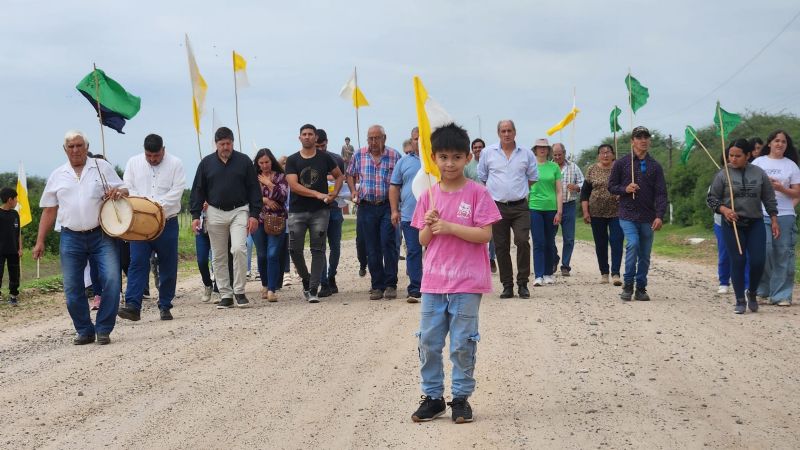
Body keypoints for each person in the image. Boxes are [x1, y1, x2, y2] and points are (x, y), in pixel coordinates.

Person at [410, 122, 501, 424]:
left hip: (467, 282)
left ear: (467, 159)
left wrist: (449, 227)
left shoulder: (478, 193)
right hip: (434, 282)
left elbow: (485, 235)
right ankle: (433, 397)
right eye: (444, 157)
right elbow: (423, 241)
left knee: (463, 342)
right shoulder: (428, 196)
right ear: (434, 158)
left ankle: (460, 398)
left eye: (457, 157)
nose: (450, 163)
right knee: (429, 341)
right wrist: (429, 225)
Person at [33, 130, 127, 345]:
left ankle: (103, 328)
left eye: (79, 145)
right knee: (72, 287)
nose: (75, 150)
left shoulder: (101, 167)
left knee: (112, 279)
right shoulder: (58, 175)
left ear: (86, 146)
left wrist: (119, 193)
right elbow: (49, 210)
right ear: (65, 150)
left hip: (101, 234)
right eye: (71, 146)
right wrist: (40, 241)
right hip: (70, 237)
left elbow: (124, 189)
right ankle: (84, 330)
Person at [190, 127, 261, 309]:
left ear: (233, 142)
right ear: (216, 144)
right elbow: (198, 190)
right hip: (214, 211)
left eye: (228, 143)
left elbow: (254, 189)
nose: (225, 147)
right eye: (222, 144)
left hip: (239, 210)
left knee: (238, 248)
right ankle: (226, 294)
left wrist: (254, 215)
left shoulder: (244, 161)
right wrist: (195, 215)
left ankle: (239, 291)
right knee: (218, 254)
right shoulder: (206, 163)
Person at [117, 134, 186, 322]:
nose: (153, 159)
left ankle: (165, 304)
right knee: (137, 261)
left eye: (156, 156)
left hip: (167, 222)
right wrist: (145, 207)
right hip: (139, 223)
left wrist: (154, 208)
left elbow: (176, 192)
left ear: (163, 149)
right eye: (149, 156)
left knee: (168, 264)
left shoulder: (176, 164)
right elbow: (129, 187)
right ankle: (133, 305)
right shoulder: (133, 163)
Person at [708, 139, 779, 314]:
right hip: (732, 224)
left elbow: (769, 198)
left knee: (758, 261)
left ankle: (752, 292)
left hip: (755, 223)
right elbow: (711, 199)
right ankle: (740, 299)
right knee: (738, 260)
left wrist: (774, 219)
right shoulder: (723, 174)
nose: (733, 159)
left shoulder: (759, 173)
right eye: (730, 155)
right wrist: (724, 210)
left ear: (748, 155)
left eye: (738, 156)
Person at [477, 120, 538, 299]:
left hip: (520, 206)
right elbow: (483, 176)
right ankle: (507, 285)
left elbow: (533, 177)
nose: (506, 134)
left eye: (509, 130)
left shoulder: (526, 153)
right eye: (503, 131)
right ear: (498, 133)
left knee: (522, 241)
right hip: (497, 206)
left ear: (515, 132)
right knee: (501, 246)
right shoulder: (488, 153)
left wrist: (518, 189)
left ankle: (523, 283)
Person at [285, 124, 343, 303]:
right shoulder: (293, 160)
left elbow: (339, 175)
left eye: (311, 134)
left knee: (318, 249)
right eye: (304, 134)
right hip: (297, 211)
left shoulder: (324, 158)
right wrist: (317, 194)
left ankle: (312, 289)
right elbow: (294, 185)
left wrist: (335, 193)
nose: (308, 137)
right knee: (294, 250)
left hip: (320, 212)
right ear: (299, 137)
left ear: (316, 137)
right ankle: (306, 279)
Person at [608, 126, 667, 301]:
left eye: (646, 137)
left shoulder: (655, 166)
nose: (643, 140)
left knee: (645, 254)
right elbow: (611, 187)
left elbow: (661, 193)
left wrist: (659, 215)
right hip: (627, 214)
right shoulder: (621, 163)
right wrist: (625, 189)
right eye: (639, 137)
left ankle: (641, 287)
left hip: (648, 216)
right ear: (632, 141)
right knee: (633, 244)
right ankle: (628, 285)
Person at [346, 124, 402, 300]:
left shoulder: (394, 156)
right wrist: (353, 191)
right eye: (370, 138)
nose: (373, 141)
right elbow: (350, 174)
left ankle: (391, 284)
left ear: (384, 138)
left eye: (377, 138)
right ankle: (377, 285)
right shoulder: (359, 154)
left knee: (388, 244)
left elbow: (401, 179)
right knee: (372, 247)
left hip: (387, 206)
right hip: (366, 206)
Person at [752, 130, 800, 306]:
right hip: (761, 214)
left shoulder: (792, 166)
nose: (780, 144)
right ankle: (761, 290)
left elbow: (797, 192)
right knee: (764, 252)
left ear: (787, 146)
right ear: (769, 143)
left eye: (784, 142)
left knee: (783, 253)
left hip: (785, 215)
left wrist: (781, 188)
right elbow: (749, 186)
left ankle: (781, 295)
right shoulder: (758, 162)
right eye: (777, 140)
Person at [581, 144, 623, 285]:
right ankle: (604, 273)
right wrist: (586, 211)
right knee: (601, 243)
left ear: (613, 154)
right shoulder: (592, 169)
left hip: (617, 211)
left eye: (608, 152)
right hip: (596, 212)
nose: (605, 155)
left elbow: (626, 186)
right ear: (598, 155)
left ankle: (616, 273)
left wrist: (622, 193)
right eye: (602, 153)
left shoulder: (619, 168)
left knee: (617, 240)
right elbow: (585, 192)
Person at [252, 148, 288, 302]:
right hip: (258, 219)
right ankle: (265, 285)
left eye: (267, 162)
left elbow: (283, 195)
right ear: (257, 163)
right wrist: (265, 200)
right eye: (261, 163)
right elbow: (248, 197)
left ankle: (273, 289)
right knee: (261, 254)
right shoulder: (253, 178)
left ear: (271, 161)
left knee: (273, 253)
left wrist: (269, 184)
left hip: (276, 219)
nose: (265, 165)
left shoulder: (280, 177)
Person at [390, 134, 423, 303]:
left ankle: (437, 285)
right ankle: (416, 288)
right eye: (416, 138)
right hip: (410, 215)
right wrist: (395, 210)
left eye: (423, 137)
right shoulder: (403, 162)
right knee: (414, 251)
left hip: (436, 215)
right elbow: (394, 186)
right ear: (412, 141)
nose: (419, 140)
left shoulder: (437, 158)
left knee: (437, 252)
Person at [315, 129, 346, 298]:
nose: (320, 149)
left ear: (327, 142)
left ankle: (331, 274)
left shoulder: (337, 159)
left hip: (335, 208)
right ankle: (324, 282)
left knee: (335, 246)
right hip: (317, 210)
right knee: (320, 247)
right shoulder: (309, 160)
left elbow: (343, 180)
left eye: (323, 145)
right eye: (317, 146)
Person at [528, 139, 562, 287]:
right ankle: (538, 275)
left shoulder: (554, 167)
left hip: (551, 208)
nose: (542, 150)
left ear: (548, 150)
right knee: (538, 242)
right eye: (539, 147)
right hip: (534, 207)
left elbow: (560, 190)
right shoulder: (530, 166)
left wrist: (559, 211)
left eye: (544, 147)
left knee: (549, 241)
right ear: (535, 149)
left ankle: (548, 273)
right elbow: (525, 188)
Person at [464, 138, 496, 273]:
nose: (478, 149)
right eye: (475, 147)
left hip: (489, 202)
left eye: (480, 147)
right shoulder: (467, 167)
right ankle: (474, 259)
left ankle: (491, 258)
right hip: (472, 202)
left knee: (491, 233)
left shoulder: (491, 164)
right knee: (472, 231)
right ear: (472, 150)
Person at [551, 143, 583, 277]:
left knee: (569, 238)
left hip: (569, 205)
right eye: (555, 154)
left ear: (564, 153)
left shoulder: (573, 167)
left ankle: (565, 265)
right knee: (549, 236)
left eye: (560, 154)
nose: (558, 157)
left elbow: (583, 182)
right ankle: (554, 258)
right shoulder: (549, 167)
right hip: (552, 206)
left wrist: (576, 186)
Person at [0, 187, 22, 306]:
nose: (17, 201)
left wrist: (20, 248)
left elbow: (18, 232)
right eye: (16, 199)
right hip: (1, 250)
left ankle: (13, 296)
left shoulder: (15, 214)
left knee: (15, 274)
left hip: (13, 250)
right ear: (10, 200)